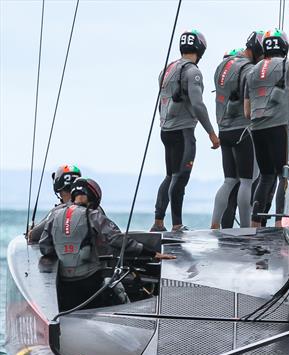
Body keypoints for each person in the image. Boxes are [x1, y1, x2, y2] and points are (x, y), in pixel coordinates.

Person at [40, 178, 175, 311]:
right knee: (116, 289)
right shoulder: (94, 215)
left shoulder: (54, 216)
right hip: (90, 282)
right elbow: (118, 240)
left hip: (65, 285)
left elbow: (45, 247)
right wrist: (152, 253)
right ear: (93, 197)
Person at [152, 29, 220, 233]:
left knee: (170, 175)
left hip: (166, 130)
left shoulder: (167, 69)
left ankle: (158, 222)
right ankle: (177, 225)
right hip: (183, 132)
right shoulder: (193, 72)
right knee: (180, 177)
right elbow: (198, 105)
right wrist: (211, 132)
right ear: (200, 49)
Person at [244, 28, 289, 228]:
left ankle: (255, 223)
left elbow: (247, 111)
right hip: (279, 126)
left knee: (265, 176)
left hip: (257, 128)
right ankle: (280, 222)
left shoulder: (252, 71)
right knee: (283, 176)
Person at [210, 42, 259, 229]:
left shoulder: (224, 66)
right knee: (247, 181)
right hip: (243, 131)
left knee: (229, 180)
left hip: (224, 130)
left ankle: (214, 224)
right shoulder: (249, 69)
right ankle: (246, 228)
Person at [28, 164, 82, 243]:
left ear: (57, 185)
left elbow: (34, 235)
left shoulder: (57, 212)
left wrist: (30, 232)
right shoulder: (95, 209)